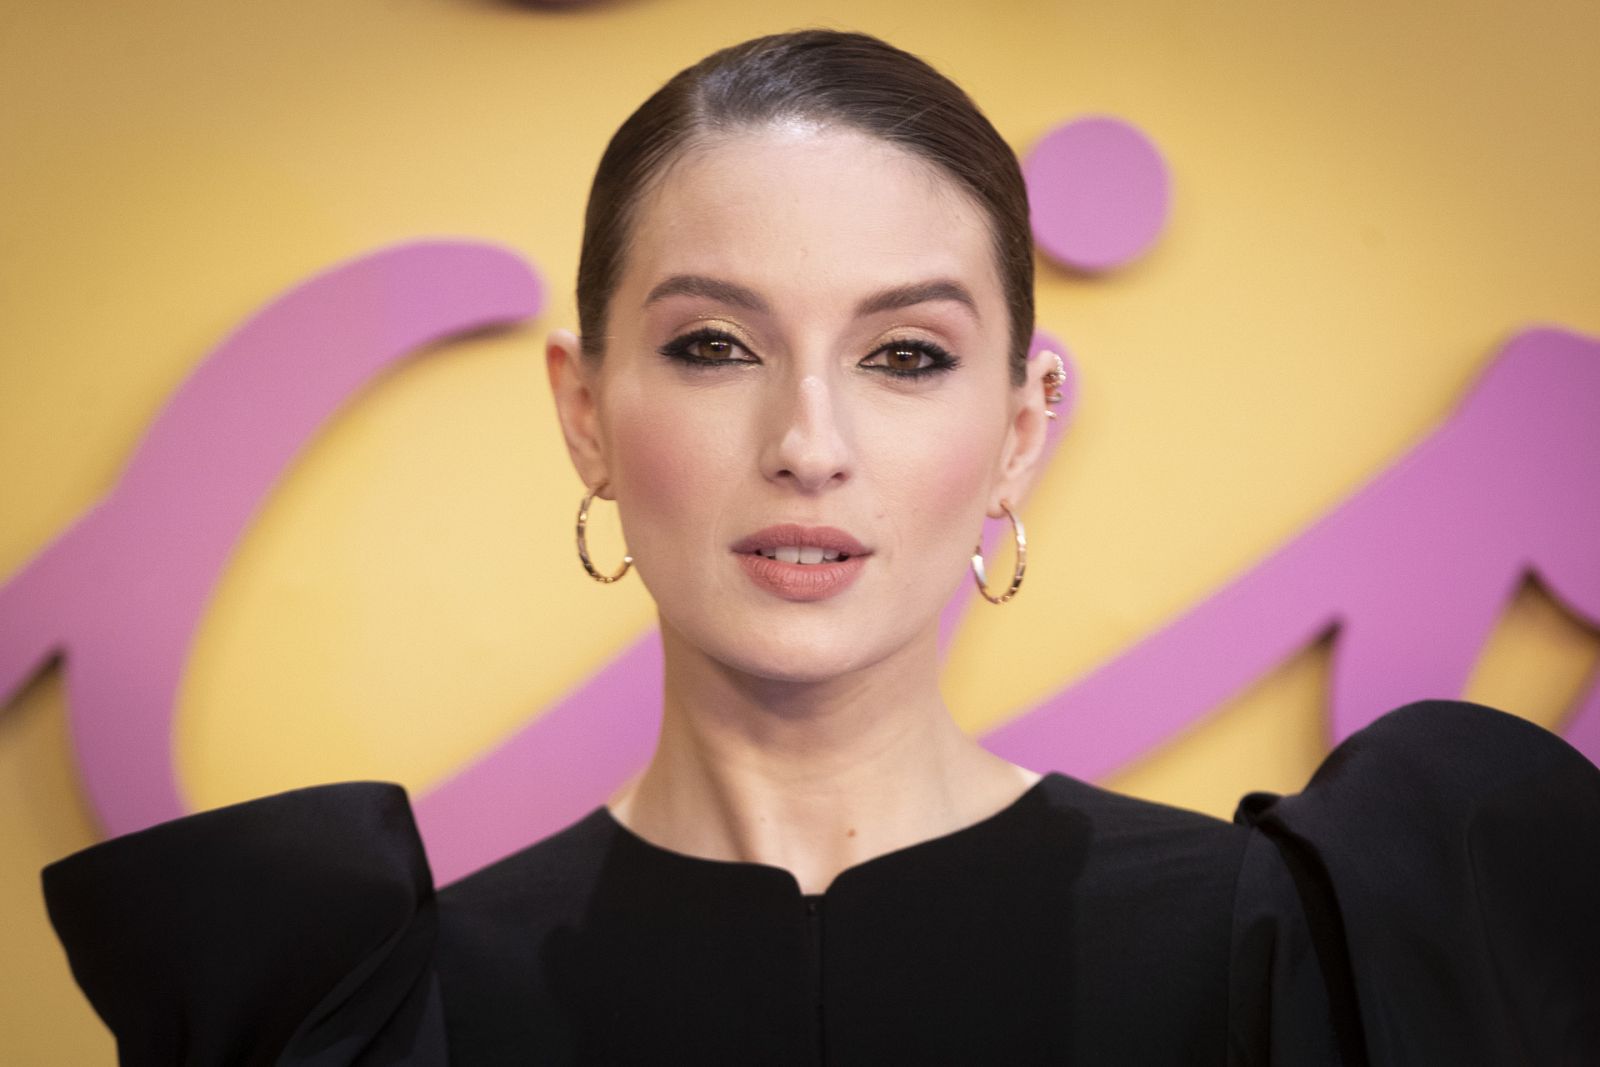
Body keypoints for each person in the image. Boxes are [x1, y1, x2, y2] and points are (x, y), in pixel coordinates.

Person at [41, 29, 1600, 1066]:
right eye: (714, 346)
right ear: (586, 411)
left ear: (1020, 421)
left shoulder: (1302, 963)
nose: (808, 439)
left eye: (907, 356)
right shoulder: (385, 1015)